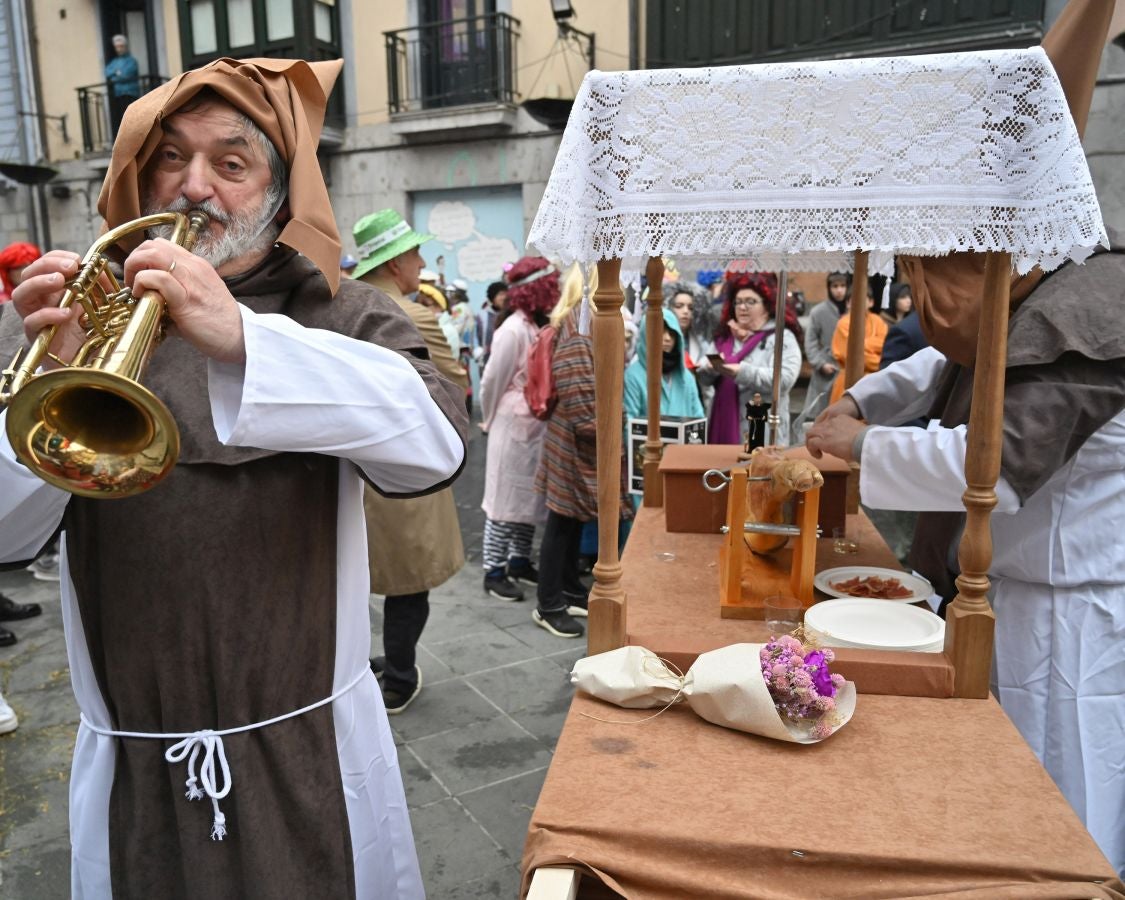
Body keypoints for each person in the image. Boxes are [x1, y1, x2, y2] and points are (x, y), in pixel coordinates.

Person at [0, 58, 468, 897]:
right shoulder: (73, 315)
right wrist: (45, 372)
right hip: (134, 762)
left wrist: (247, 340)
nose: (194, 188)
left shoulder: (342, 306)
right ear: (134, 179)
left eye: (231, 162)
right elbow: (4, 533)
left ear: (281, 193)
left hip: (312, 748)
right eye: (169, 159)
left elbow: (433, 446)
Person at [353, 208, 469, 715]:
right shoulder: (416, 315)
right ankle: (399, 675)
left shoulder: (343, 307)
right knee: (409, 581)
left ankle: (359, 668)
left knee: (355, 575)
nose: (422, 262)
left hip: (352, 468)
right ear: (397, 262)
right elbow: (455, 384)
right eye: (416, 254)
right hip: (405, 471)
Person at [533, 267, 632, 638]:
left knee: (570, 520)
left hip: (576, 439)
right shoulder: (580, 323)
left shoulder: (583, 320)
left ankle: (567, 589)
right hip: (574, 441)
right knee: (560, 522)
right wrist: (607, 424)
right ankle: (548, 603)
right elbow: (578, 391)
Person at [479, 256, 557, 602]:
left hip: (531, 424)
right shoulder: (512, 329)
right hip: (511, 421)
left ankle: (519, 560)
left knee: (527, 498)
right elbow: (491, 381)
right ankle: (493, 569)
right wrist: (489, 417)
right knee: (503, 501)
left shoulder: (536, 324)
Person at [698, 271, 802, 446]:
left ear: (767, 306)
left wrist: (742, 372)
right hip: (721, 425)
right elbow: (704, 380)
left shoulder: (781, 338)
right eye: (737, 302)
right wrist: (708, 369)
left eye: (750, 302)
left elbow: (784, 380)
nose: (742, 307)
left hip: (762, 433)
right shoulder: (724, 338)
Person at [624, 308, 705, 424]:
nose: (667, 338)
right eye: (661, 331)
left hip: (685, 443)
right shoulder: (632, 377)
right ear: (646, 335)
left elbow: (699, 421)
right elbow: (628, 424)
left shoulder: (687, 378)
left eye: (672, 333)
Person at [800, 272, 848, 427]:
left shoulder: (854, 310)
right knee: (821, 414)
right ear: (829, 288)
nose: (839, 290)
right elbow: (811, 341)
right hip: (827, 365)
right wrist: (820, 363)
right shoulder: (818, 311)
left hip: (848, 366)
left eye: (842, 286)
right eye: (835, 286)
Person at [828, 280, 887, 404]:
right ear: (848, 303)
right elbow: (851, 355)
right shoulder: (843, 324)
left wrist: (862, 345)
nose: (858, 302)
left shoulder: (878, 322)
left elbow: (885, 346)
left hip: (874, 380)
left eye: (862, 298)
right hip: (849, 380)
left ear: (871, 302)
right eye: (854, 299)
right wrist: (875, 355)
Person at [105, 34, 141, 136]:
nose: (119, 49)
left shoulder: (131, 61)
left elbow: (126, 75)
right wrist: (117, 73)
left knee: (131, 120)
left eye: (121, 46)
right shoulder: (114, 62)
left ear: (125, 47)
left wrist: (116, 75)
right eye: (117, 47)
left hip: (130, 94)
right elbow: (107, 72)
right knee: (120, 120)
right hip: (118, 95)